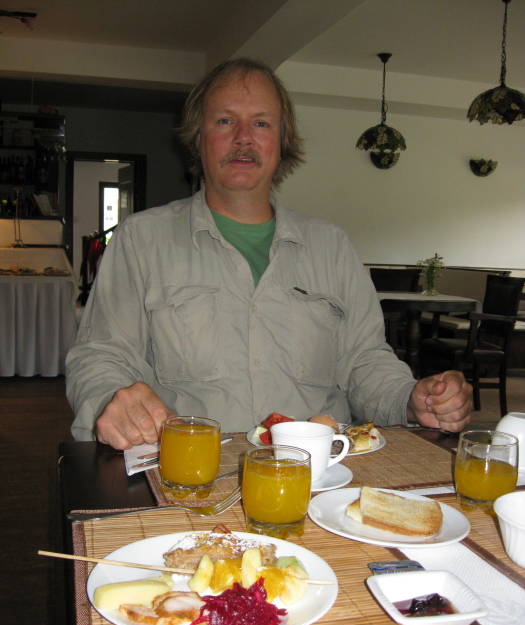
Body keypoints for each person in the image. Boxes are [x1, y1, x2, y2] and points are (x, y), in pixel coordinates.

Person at [66, 57, 472, 450]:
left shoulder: (332, 248)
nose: (243, 137)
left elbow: (365, 361)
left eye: (261, 123)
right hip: (188, 479)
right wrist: (110, 399)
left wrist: (411, 399)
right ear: (198, 138)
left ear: (281, 141)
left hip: (320, 482)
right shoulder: (141, 240)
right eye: (225, 121)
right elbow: (102, 356)